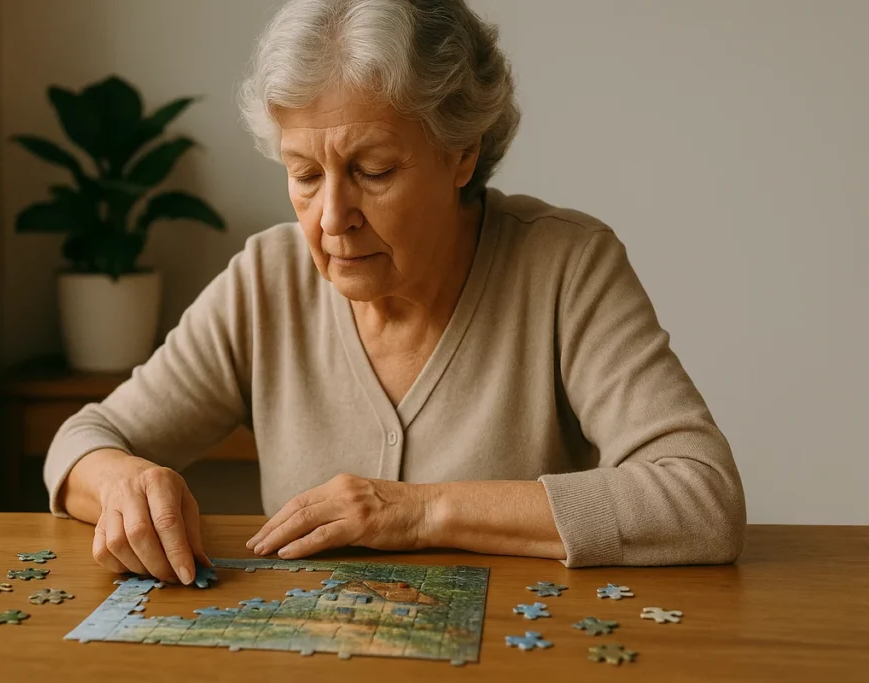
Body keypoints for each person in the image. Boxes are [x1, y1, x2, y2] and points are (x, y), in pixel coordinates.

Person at [44, 0, 746, 586]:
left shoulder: (566, 265)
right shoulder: (267, 278)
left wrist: (417, 511)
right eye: (304, 174)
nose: (331, 217)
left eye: (373, 169)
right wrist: (123, 483)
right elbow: (82, 441)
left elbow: (700, 496)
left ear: (461, 153)